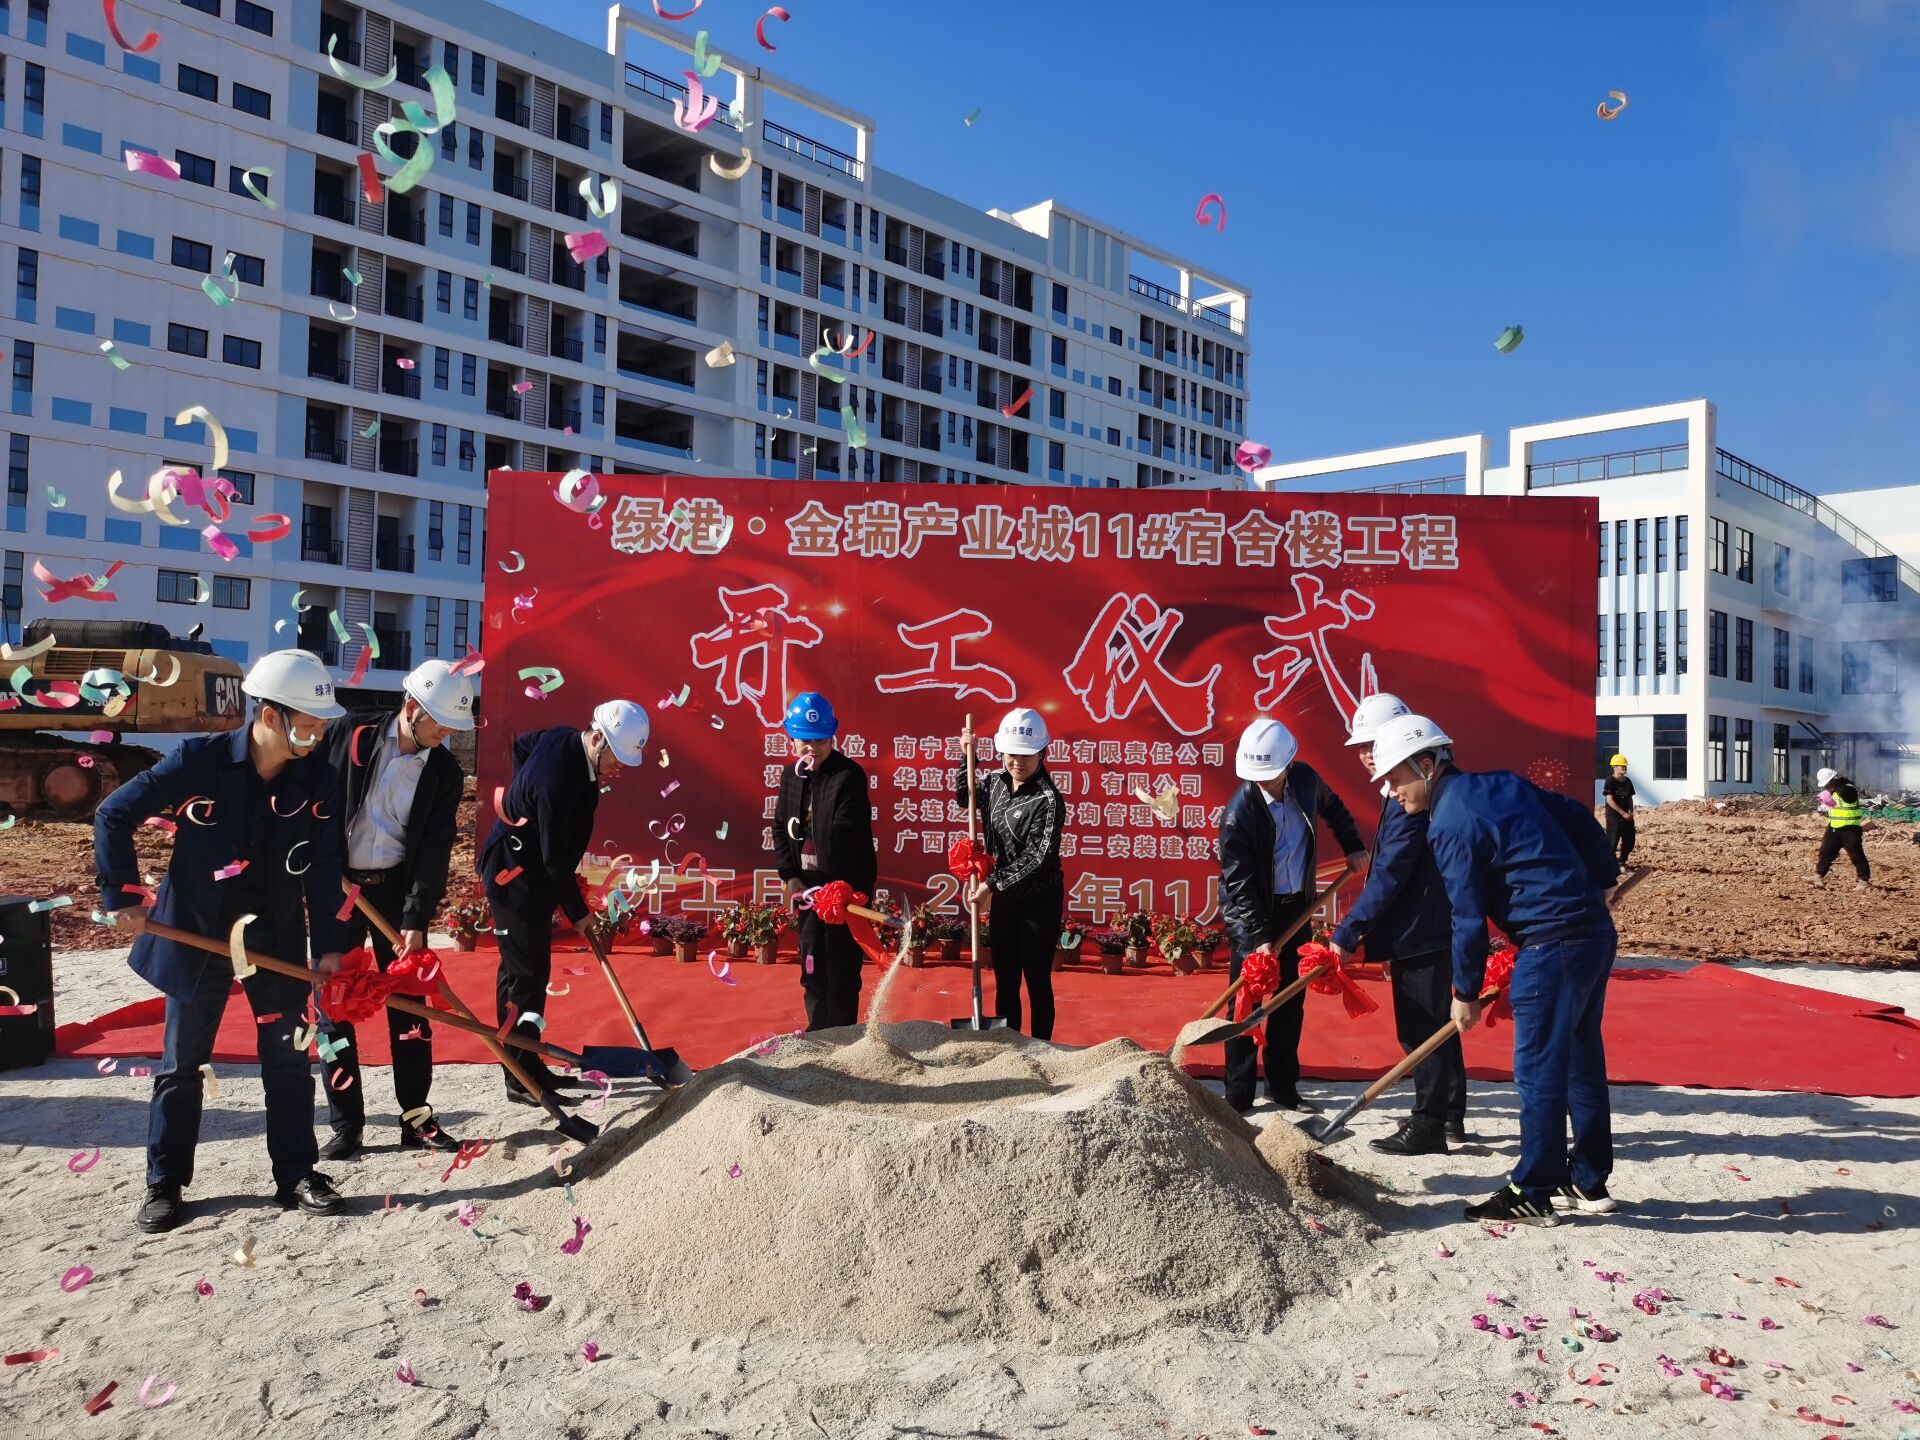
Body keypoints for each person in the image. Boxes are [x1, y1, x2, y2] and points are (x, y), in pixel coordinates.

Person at [94, 649, 353, 1233]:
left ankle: (296, 1173)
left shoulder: (319, 778)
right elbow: (113, 814)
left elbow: (324, 865)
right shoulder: (199, 760)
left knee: (288, 1056)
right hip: (197, 931)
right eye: (309, 724)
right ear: (270, 716)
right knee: (182, 1062)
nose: (317, 735)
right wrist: (123, 895)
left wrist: (329, 945)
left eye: (321, 725)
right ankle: (165, 1183)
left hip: (274, 935)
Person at [1369, 713, 1622, 1227]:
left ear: (1426, 765)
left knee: (1538, 1071)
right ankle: (1588, 1179)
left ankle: (1534, 1189)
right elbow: (1577, 817)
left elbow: (1466, 917)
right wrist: (1603, 879)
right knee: (1580, 1059)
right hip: (1592, 934)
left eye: (1394, 778)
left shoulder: (1447, 825)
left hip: (1550, 946)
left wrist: (1464, 992)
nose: (1391, 792)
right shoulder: (1501, 784)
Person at [313, 660, 473, 1159]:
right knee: (334, 1002)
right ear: (411, 707)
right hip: (338, 887)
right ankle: (347, 1124)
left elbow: (435, 849)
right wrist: (317, 861)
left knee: (410, 1005)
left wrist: (415, 918)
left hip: (394, 893)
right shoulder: (350, 734)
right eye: (441, 722)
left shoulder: (444, 771)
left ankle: (416, 1118)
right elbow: (311, 796)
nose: (447, 733)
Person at [479, 699, 650, 1105]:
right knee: (526, 975)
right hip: (513, 875)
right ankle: (521, 1077)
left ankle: (527, 1062)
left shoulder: (563, 738)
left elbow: (523, 745)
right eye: (617, 756)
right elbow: (555, 862)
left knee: (525, 971)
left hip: (533, 873)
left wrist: (522, 796)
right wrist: (579, 913)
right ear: (597, 738)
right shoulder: (556, 782)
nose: (620, 767)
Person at [1324, 693, 1464, 1155]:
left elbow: (1389, 875)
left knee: (1422, 1029)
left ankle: (1429, 1124)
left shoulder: (1414, 801)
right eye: (1361, 747)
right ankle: (1449, 1115)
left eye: (1372, 744)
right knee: (1438, 1024)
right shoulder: (1400, 789)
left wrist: (1350, 929)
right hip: (1424, 926)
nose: (1366, 754)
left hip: (1422, 930)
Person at [1217, 716, 1367, 1114]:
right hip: (1252, 914)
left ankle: (1283, 1089)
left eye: (1270, 774)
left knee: (1289, 1000)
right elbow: (1240, 883)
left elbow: (1335, 809)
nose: (1263, 782)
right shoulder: (1238, 814)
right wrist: (1258, 936)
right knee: (1246, 1002)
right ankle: (1238, 1096)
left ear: (1288, 764)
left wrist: (1352, 845)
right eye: (1256, 776)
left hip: (1297, 907)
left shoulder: (1305, 781)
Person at [956, 707, 1067, 1039]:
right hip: (1004, 898)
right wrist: (967, 758)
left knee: (1036, 978)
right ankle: (1009, 1044)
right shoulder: (994, 783)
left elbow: (1038, 857)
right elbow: (965, 797)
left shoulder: (1048, 799)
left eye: (1026, 755)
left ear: (1042, 753)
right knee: (1005, 977)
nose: (1017, 762)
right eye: (1011, 754)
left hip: (1039, 901)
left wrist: (991, 883)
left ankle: (1043, 1046)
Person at [772, 691, 877, 1030]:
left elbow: (845, 835)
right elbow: (780, 828)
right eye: (805, 741)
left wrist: (839, 890)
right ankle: (818, 1035)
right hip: (807, 890)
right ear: (792, 740)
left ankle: (844, 1039)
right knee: (812, 966)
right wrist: (790, 876)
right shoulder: (790, 776)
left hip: (844, 890)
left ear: (832, 738)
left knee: (842, 970)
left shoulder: (848, 776)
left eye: (820, 741)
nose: (812, 748)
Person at [1813, 766, 1871, 889]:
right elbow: (1835, 805)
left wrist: (1834, 790)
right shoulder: (1833, 791)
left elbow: (1848, 797)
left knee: (1856, 854)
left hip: (1850, 828)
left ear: (1834, 780)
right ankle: (1818, 876)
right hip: (1834, 826)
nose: (1826, 787)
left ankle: (1864, 881)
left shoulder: (1848, 788)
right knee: (1826, 851)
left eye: (1828, 784)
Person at [1602, 755, 1636, 867]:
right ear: (1614, 767)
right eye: (1622, 765)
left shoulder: (1628, 781)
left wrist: (1631, 811)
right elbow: (1610, 800)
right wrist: (1623, 813)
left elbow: (1629, 798)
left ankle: (1622, 860)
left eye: (1625, 765)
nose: (1624, 767)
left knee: (1630, 840)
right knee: (1612, 840)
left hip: (1626, 816)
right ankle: (1608, 864)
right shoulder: (1610, 781)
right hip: (1614, 817)